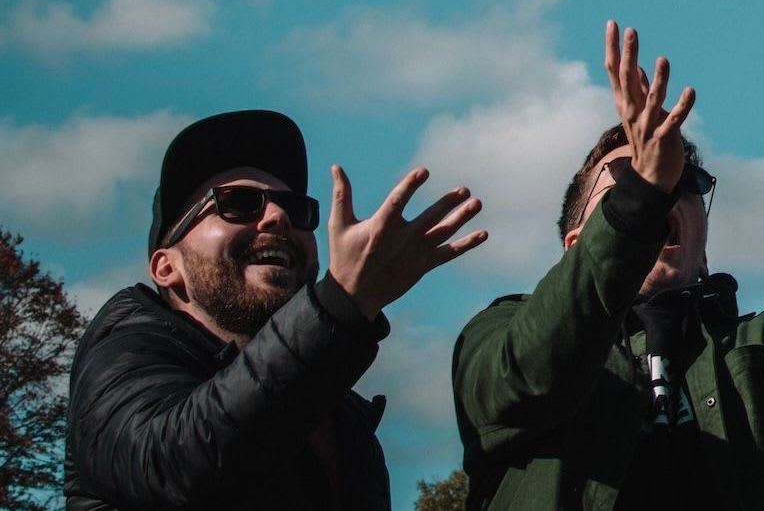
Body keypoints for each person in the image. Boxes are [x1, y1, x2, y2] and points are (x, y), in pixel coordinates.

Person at [452, 0, 764, 510]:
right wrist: (641, 197)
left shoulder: (751, 353)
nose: (663, 188)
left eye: (686, 181)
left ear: (704, 253)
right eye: (627, 179)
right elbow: (527, 376)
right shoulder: (498, 331)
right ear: (574, 245)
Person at [65, 109, 488, 510]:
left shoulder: (345, 425)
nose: (277, 216)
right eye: (238, 203)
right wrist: (342, 303)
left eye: (297, 209)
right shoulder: (124, 350)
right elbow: (177, 468)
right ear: (167, 267)